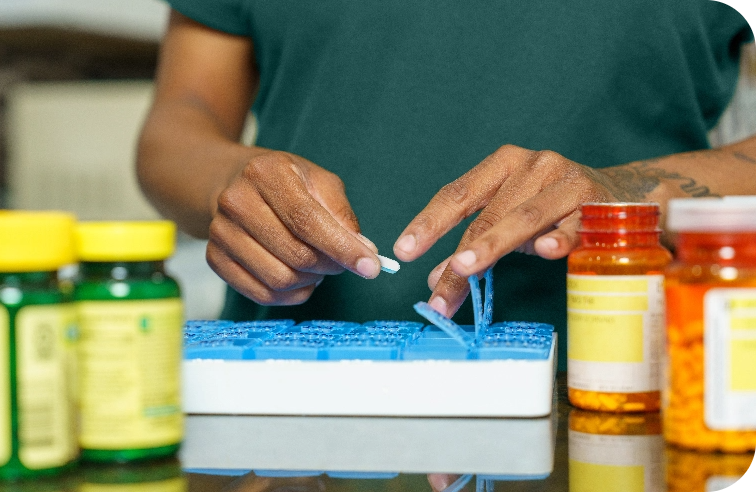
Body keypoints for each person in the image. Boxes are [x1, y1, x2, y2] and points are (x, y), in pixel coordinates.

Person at [137, 1, 756, 367]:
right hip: (280, 399)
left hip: (619, 403)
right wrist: (227, 180)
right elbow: (174, 129)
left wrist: (626, 191)